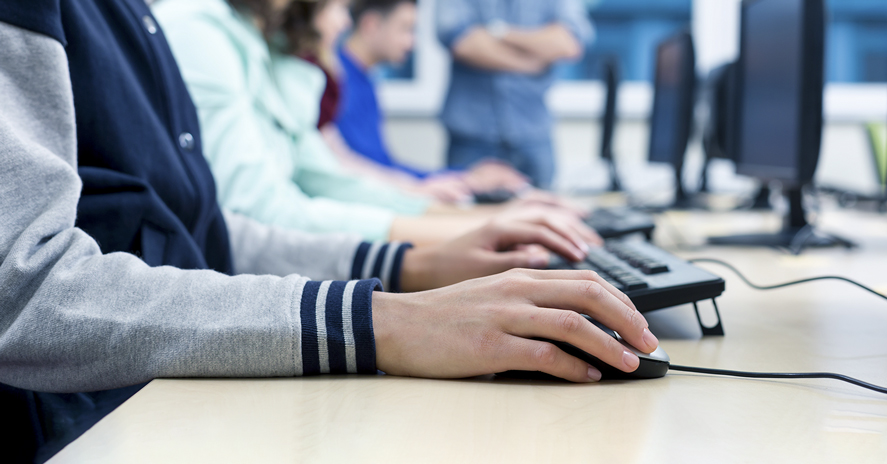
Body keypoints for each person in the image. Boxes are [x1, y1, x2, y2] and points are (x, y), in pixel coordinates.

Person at [0, 0, 658, 461]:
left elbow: (207, 234)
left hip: (156, 391)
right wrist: (378, 320)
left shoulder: (133, 18)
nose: (343, 22)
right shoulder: (189, 26)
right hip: (93, 421)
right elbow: (21, 294)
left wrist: (412, 268)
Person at [152, 0, 586, 244]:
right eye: (340, 6)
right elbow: (263, 209)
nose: (345, 20)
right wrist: (473, 226)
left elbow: (327, 176)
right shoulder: (202, 29)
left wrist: (480, 219)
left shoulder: (264, 49)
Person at [328, 0, 529, 199]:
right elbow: (363, 167)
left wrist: (463, 176)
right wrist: (465, 179)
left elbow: (382, 167)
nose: (411, 42)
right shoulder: (337, 79)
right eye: (405, 29)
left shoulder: (363, 79)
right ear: (371, 24)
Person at [436, 0, 594, 189]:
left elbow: (568, 43)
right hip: (471, 137)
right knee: (463, 214)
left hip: (534, 135)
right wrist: (530, 62)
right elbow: (462, 43)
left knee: (545, 212)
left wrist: (498, 32)